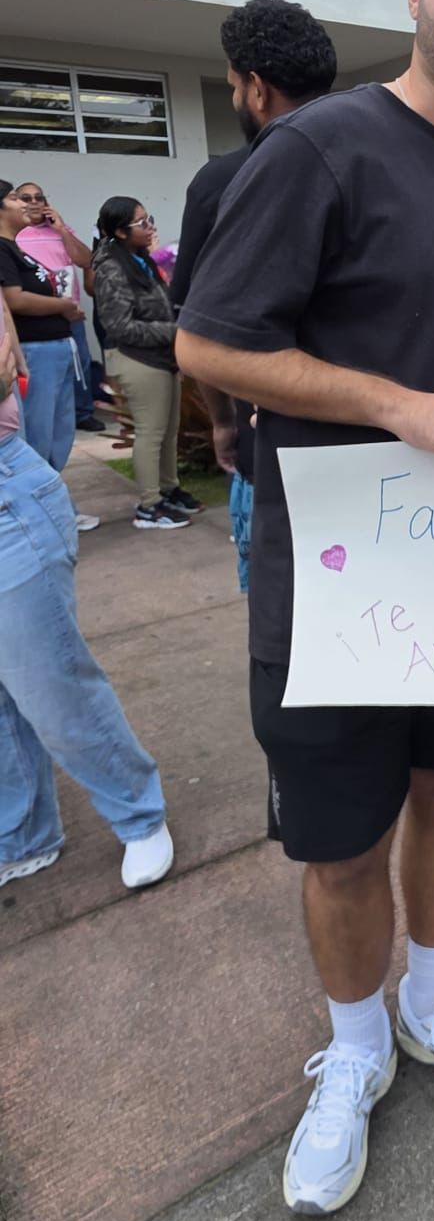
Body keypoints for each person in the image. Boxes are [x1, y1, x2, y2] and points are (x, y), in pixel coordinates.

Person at [177, 0, 434, 1218]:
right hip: (335, 581)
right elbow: (209, 341)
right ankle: (352, 1052)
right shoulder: (322, 147)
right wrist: (397, 406)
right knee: (339, 842)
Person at [0, 306, 176, 892]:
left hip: (7, 502)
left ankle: (139, 813)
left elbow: (4, 372)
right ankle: (22, 835)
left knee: (51, 685)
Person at [170, 0, 339, 592]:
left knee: (279, 620)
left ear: (257, 90)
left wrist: (223, 422)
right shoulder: (385, 165)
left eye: (233, 86)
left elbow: (205, 334)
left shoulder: (222, 180)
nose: (236, 97)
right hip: (374, 457)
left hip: (269, 448)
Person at [93, 200, 203, 531]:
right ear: (119, 232)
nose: (150, 226)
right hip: (137, 359)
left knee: (168, 431)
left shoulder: (140, 260)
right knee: (151, 432)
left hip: (161, 357)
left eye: (149, 219)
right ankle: (149, 504)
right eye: (141, 223)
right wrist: (175, 332)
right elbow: (119, 326)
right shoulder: (111, 268)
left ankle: (169, 489)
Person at [0, 179, 83, 472]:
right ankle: (40, 487)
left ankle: (53, 487)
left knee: (59, 429)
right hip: (35, 349)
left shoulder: (15, 248)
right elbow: (14, 300)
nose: (28, 204)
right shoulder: (2, 249)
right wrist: (64, 306)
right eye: (17, 198)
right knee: (39, 431)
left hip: (56, 346)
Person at [12, 182, 102, 433]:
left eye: (38, 197)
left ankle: (83, 413)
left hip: (68, 310)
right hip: (33, 312)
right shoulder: (13, 233)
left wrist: (61, 229)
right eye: (26, 198)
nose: (33, 202)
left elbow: (86, 260)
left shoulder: (60, 230)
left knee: (80, 362)